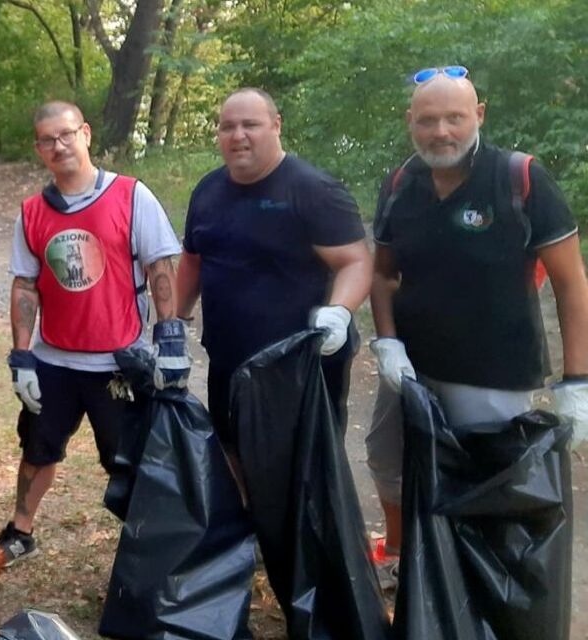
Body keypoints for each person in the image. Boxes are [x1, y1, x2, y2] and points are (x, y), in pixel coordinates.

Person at [366, 66, 588, 562]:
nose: (440, 131)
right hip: (411, 368)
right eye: (427, 120)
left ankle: (481, 589)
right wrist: (387, 342)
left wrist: (577, 382)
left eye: (454, 118)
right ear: (410, 122)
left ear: (479, 115)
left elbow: (572, 283)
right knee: (388, 461)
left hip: (493, 373)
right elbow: (382, 275)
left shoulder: (521, 178)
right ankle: (403, 560)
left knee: (486, 485)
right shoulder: (401, 183)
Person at [0, 101, 185, 566]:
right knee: (37, 449)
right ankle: (20, 531)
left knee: (127, 461)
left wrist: (169, 339)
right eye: (48, 140)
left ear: (86, 134)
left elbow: (160, 268)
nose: (59, 146)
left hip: (117, 361)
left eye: (66, 135)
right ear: (38, 149)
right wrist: (21, 358)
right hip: (55, 360)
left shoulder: (132, 196)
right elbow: (25, 285)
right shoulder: (33, 212)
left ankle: (148, 547)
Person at [176, 88, 371, 451]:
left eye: (251, 125)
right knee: (230, 454)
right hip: (227, 358)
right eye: (228, 127)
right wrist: (174, 324)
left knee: (298, 474)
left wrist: (339, 312)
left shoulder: (313, 190)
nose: (238, 136)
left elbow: (355, 261)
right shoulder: (207, 190)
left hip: (299, 369)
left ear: (276, 125)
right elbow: (193, 260)